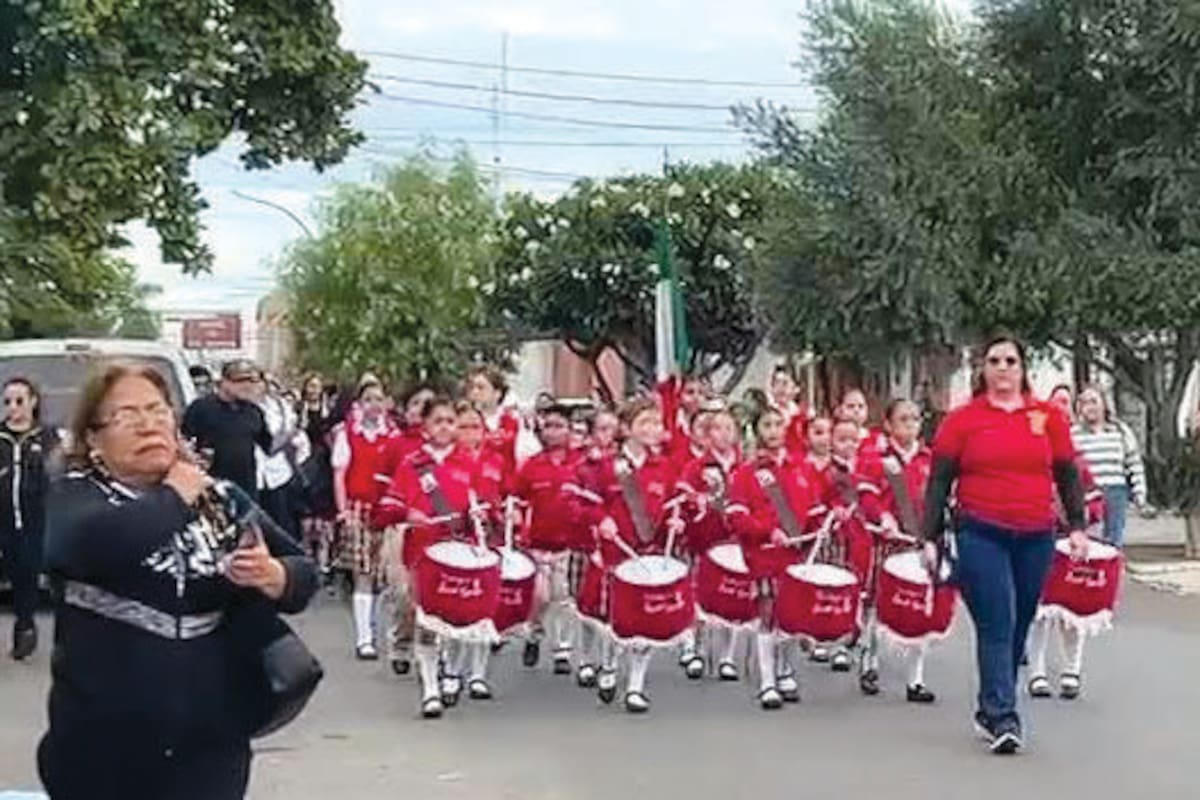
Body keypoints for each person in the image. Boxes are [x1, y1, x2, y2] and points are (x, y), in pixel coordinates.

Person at [37, 362, 317, 800]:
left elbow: (303, 571)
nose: (148, 424)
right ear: (93, 438)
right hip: (102, 747)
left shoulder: (217, 496)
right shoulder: (76, 497)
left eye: (157, 410)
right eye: (127, 415)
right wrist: (175, 495)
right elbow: (95, 546)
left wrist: (275, 575)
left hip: (210, 743)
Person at [921, 334, 1088, 755]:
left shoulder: (1046, 417)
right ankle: (1004, 717)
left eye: (1010, 360)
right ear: (982, 368)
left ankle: (989, 705)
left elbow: (1068, 474)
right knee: (997, 619)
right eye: (994, 360)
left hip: (1036, 533)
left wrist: (1079, 526)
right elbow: (939, 480)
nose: (1002, 368)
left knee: (1019, 621)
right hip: (980, 530)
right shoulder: (963, 419)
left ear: (1022, 368)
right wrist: (929, 536)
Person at [374, 396, 503, 717]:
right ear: (426, 426)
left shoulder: (470, 463)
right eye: (438, 421)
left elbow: (490, 506)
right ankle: (430, 688)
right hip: (422, 551)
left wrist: (488, 515)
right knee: (427, 620)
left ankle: (452, 672)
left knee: (460, 617)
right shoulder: (411, 464)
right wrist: (408, 512)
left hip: (462, 551)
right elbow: (386, 508)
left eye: (450, 422)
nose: (445, 427)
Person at [570, 396, 683, 713]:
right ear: (627, 427)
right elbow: (583, 504)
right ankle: (608, 665)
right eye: (644, 422)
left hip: (648, 552)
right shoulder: (607, 466)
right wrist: (600, 520)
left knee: (645, 621)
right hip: (614, 551)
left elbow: (674, 505)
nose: (652, 429)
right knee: (612, 619)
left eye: (656, 423)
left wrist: (677, 520)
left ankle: (635, 685)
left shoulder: (664, 468)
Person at [727, 405, 825, 710]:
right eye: (766, 424)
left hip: (796, 554)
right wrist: (767, 532)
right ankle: (767, 680)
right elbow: (737, 517)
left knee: (792, 614)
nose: (773, 430)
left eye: (777, 424)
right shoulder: (746, 473)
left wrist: (820, 529)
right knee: (768, 613)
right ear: (757, 430)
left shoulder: (801, 468)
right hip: (765, 555)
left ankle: (786, 670)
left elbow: (814, 511)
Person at [861, 399, 937, 702]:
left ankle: (915, 679)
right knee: (879, 603)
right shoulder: (877, 459)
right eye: (903, 419)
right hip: (889, 542)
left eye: (915, 419)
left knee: (921, 607)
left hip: (920, 541)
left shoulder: (929, 460)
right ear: (889, 425)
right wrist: (883, 517)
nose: (910, 424)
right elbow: (866, 495)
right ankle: (870, 661)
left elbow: (938, 499)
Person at [330, 377, 402, 660]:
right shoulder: (347, 434)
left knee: (390, 574)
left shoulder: (394, 436)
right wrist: (343, 510)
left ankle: (388, 631)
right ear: (360, 404)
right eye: (368, 400)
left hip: (389, 510)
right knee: (364, 573)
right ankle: (364, 638)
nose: (374, 405)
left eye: (379, 399)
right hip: (359, 508)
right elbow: (340, 474)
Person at [511, 402, 585, 675]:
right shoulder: (532, 466)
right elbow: (517, 499)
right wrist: (516, 518)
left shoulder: (580, 464)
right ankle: (534, 633)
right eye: (549, 427)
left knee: (563, 596)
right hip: (537, 543)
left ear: (569, 431)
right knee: (539, 596)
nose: (553, 432)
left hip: (569, 543)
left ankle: (562, 649)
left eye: (559, 427)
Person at [676, 402, 743, 680]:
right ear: (707, 434)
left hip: (734, 540)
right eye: (717, 428)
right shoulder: (696, 467)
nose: (724, 434)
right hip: (702, 540)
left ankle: (727, 656)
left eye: (729, 428)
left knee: (732, 597)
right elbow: (682, 497)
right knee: (697, 595)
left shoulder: (745, 467)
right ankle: (695, 647)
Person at [0, 377, 60, 660]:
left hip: (37, 519)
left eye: (19, 401)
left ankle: (25, 625)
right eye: (8, 402)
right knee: (11, 570)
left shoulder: (46, 437)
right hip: (4, 518)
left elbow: (59, 473)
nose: (13, 408)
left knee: (28, 573)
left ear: (33, 401)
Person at [182, 360, 275, 500]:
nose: (247, 385)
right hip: (211, 486)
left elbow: (268, 445)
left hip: (246, 489)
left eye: (251, 381)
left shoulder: (254, 412)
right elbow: (182, 439)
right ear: (224, 381)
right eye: (241, 380)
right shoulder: (201, 408)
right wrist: (192, 457)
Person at [1072, 384, 1151, 547]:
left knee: (1113, 542)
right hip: (1087, 495)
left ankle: (1114, 571)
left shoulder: (1120, 431)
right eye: (1084, 403)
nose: (1089, 407)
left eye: (1093, 401)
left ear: (1104, 404)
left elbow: (1134, 464)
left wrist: (1140, 495)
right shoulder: (1073, 434)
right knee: (1090, 543)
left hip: (1116, 493)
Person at [296, 374, 338, 577]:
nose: (313, 390)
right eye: (310, 386)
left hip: (325, 464)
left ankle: (323, 559)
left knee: (324, 514)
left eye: (317, 386)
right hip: (303, 463)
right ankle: (305, 555)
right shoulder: (297, 410)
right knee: (306, 514)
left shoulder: (328, 411)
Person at [768, 364, 809, 455]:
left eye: (785, 383)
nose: (780, 388)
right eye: (776, 383)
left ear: (796, 389)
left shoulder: (804, 416)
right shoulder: (766, 414)